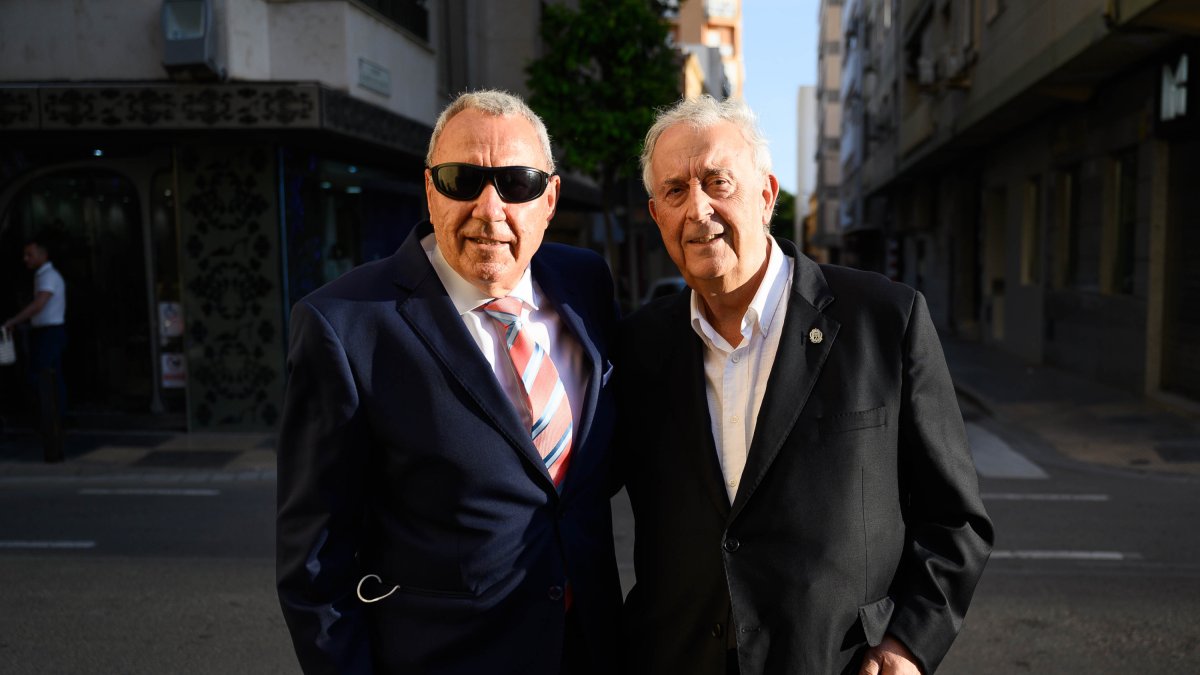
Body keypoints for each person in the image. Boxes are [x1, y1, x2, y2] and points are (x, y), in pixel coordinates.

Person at [617, 95, 994, 675]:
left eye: (718, 182)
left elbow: (955, 518)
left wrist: (908, 645)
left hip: (837, 663)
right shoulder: (640, 345)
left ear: (767, 195)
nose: (698, 209)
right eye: (675, 191)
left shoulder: (884, 320)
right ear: (656, 215)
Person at [276, 90, 621, 675]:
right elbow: (314, 564)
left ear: (550, 198)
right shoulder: (344, 324)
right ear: (431, 188)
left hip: (590, 649)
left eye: (517, 182)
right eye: (463, 179)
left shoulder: (585, 284)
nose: (490, 209)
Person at [4, 235, 67, 416]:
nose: (26, 259)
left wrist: (14, 320)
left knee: (44, 376)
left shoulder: (48, 276)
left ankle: (53, 420)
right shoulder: (44, 276)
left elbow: (39, 304)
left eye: (29, 255)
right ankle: (54, 419)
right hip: (46, 331)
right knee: (49, 376)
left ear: (42, 255)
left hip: (50, 332)